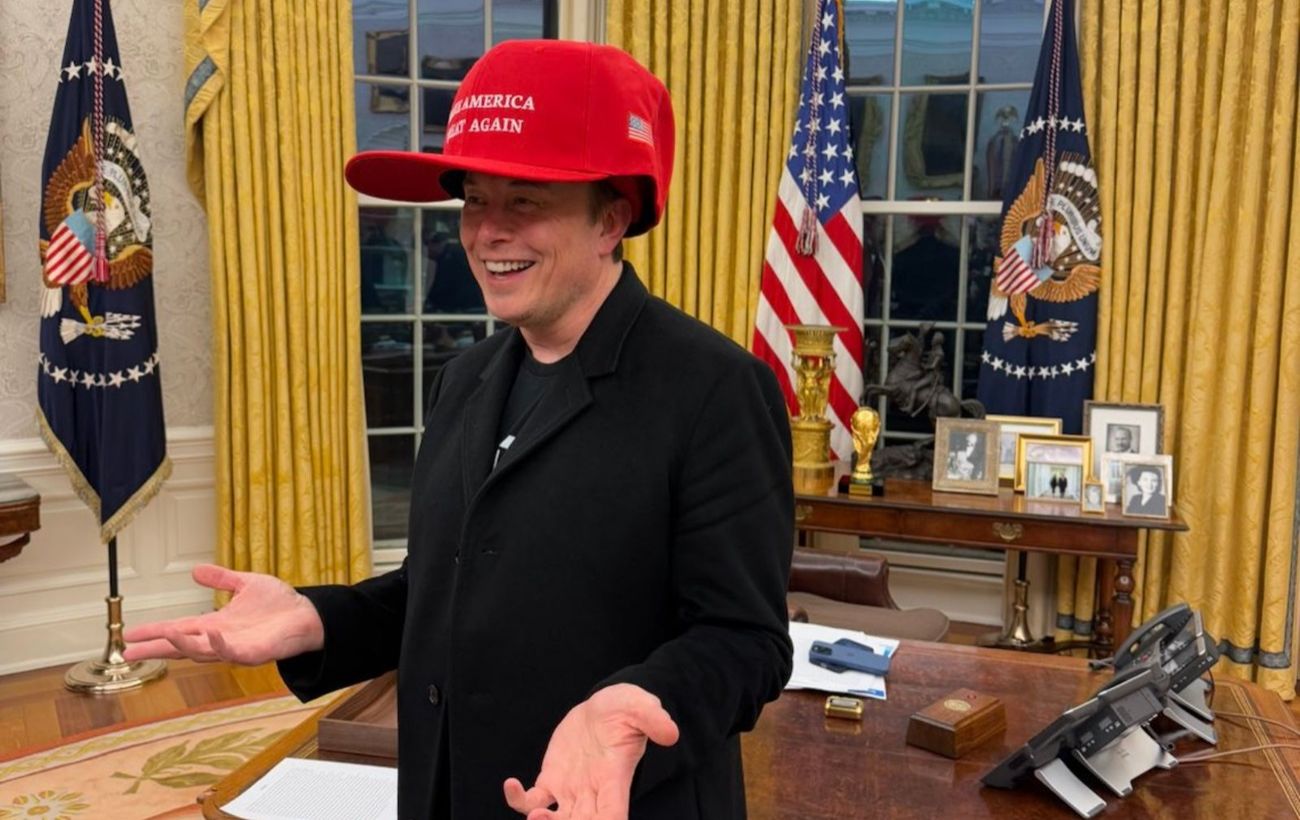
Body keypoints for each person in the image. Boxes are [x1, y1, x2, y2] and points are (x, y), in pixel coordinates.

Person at [123, 40, 794, 820]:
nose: (486, 234)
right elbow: (440, 590)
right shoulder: (466, 378)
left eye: (525, 202)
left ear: (610, 220)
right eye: (475, 201)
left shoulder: (715, 390)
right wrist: (316, 619)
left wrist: (637, 703)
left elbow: (746, 641)